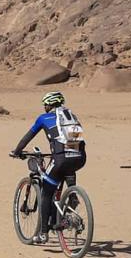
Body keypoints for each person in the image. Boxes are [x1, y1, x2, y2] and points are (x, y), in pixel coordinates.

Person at [9, 91, 87, 243]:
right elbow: (74, 142)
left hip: (60, 159)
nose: (44, 107)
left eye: (45, 104)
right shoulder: (70, 117)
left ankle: (43, 233)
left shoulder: (43, 118)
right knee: (68, 167)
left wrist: (17, 151)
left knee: (46, 192)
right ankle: (72, 195)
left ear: (50, 104)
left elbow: (28, 136)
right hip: (80, 157)